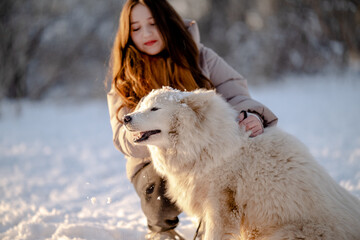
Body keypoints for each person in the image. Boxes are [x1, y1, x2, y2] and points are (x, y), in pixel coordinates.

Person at [106, 0, 278, 239]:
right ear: (127, 34)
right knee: (159, 192)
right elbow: (120, 133)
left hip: (204, 151)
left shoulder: (199, 56)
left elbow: (236, 92)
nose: (146, 33)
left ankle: (218, 222)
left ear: (168, 22)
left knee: (231, 170)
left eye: (153, 23)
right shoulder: (125, 76)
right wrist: (141, 135)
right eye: (136, 28)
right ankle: (161, 231)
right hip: (153, 159)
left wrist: (251, 115)